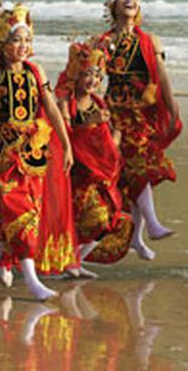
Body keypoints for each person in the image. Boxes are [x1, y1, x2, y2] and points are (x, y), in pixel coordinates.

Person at [0, 2, 75, 300]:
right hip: (2, 157)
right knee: (19, 211)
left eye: (26, 40)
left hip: (33, 155)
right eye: (15, 40)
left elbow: (51, 108)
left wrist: (67, 145)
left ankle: (8, 258)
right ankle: (33, 281)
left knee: (29, 212)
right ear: (2, 44)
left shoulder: (36, 71)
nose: (22, 46)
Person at [97, 0, 181, 260]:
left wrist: (172, 107)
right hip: (113, 112)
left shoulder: (150, 40)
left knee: (140, 167)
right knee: (131, 172)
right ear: (113, 5)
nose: (129, 0)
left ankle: (145, 231)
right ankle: (142, 232)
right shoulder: (102, 41)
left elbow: (161, 77)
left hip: (141, 113)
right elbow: (93, 79)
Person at [55, 37, 134, 278]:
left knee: (111, 219)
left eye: (99, 76)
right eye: (89, 74)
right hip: (77, 173)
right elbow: (65, 138)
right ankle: (69, 260)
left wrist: (117, 135)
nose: (94, 80)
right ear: (76, 73)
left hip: (100, 174)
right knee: (92, 218)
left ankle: (75, 260)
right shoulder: (65, 103)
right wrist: (90, 123)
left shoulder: (99, 103)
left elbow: (109, 140)